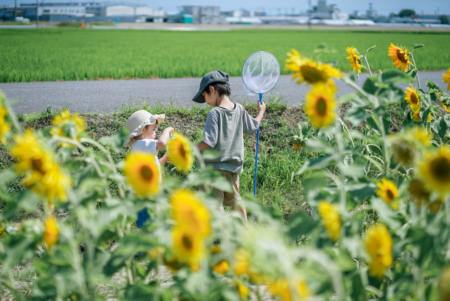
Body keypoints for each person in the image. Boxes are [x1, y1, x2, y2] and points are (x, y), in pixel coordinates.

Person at [193, 70, 266, 221]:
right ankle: (245, 232)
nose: (205, 100)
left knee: (215, 205)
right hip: (233, 169)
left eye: (204, 95)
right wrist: (261, 112)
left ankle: (222, 234)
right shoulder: (239, 109)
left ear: (212, 90)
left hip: (215, 170)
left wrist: (191, 149)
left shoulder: (215, 114)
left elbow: (208, 142)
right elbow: (253, 126)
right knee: (236, 202)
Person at [126, 109, 174, 227]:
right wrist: (167, 130)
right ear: (143, 130)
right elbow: (162, 143)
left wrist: (166, 158)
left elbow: (156, 164)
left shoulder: (142, 148)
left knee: (150, 223)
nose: (155, 133)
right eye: (153, 129)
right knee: (147, 225)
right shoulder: (141, 144)